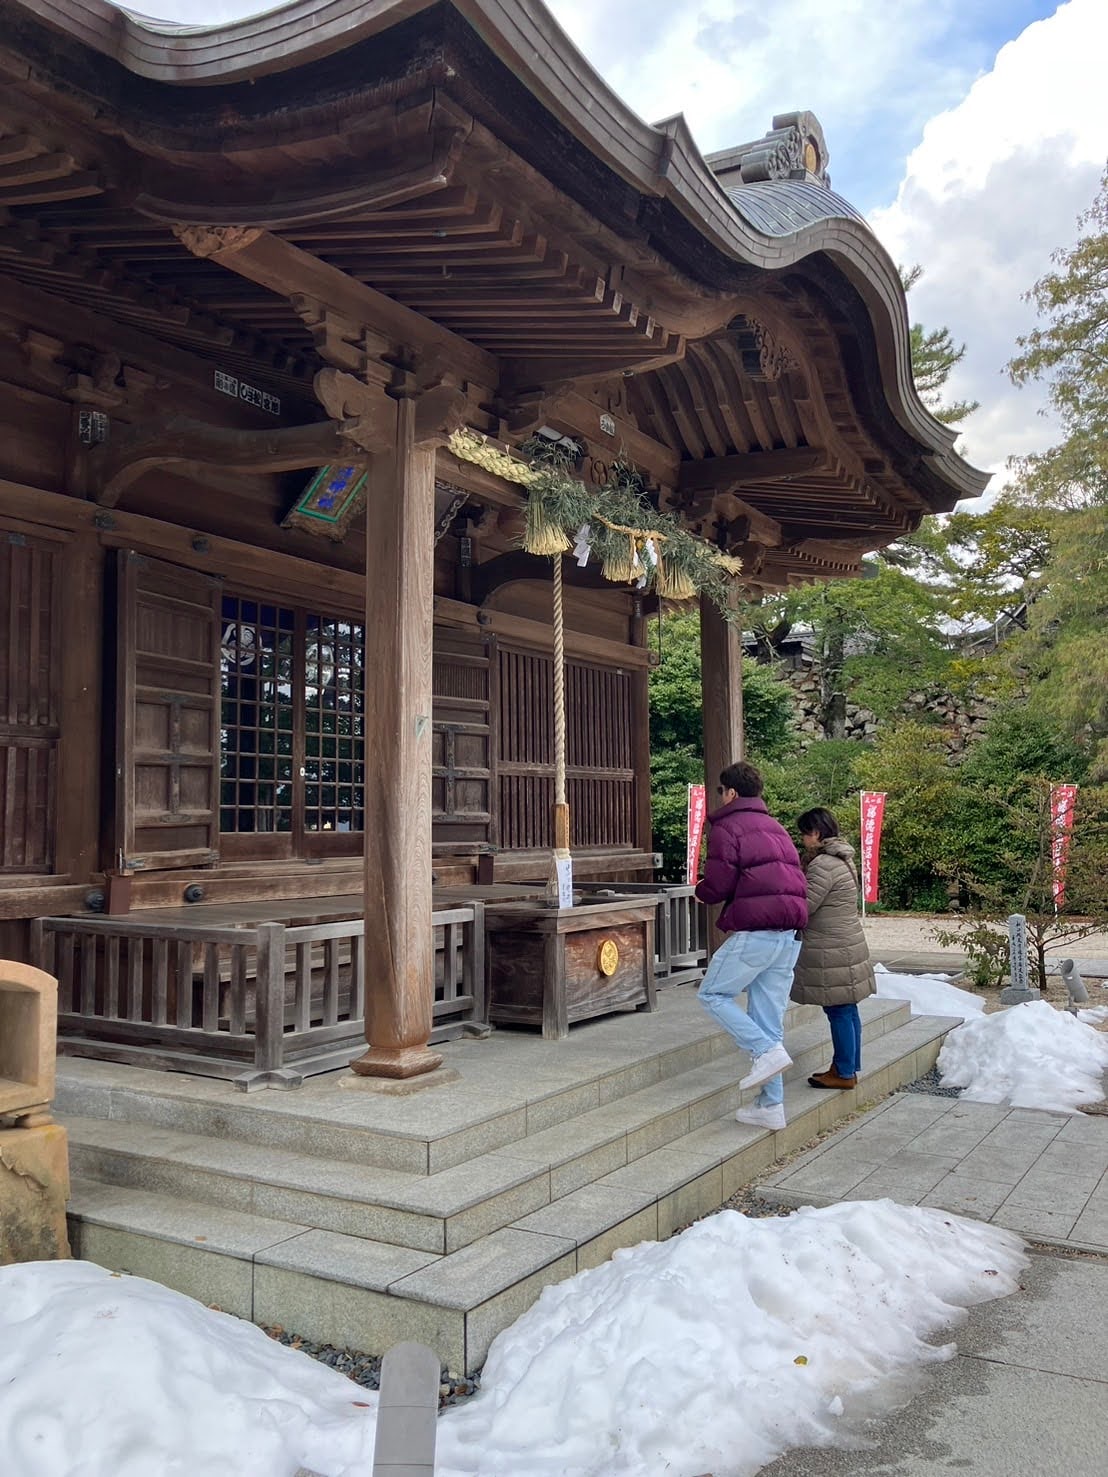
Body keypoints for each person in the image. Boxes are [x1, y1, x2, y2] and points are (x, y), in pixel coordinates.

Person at [695, 761, 808, 1132]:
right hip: (789, 933)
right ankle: (771, 1106)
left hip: (757, 932)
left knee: (712, 994)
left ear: (730, 792)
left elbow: (718, 882)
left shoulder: (728, 826)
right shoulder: (776, 827)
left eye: (721, 791)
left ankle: (765, 1053)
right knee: (768, 1021)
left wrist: (700, 891)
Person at [792, 807, 875, 1090]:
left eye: (804, 833)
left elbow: (806, 907)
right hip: (846, 943)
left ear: (816, 833)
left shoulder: (822, 864)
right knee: (847, 1009)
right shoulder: (842, 858)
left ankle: (843, 1072)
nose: (803, 839)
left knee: (838, 1010)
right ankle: (847, 1066)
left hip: (831, 947)